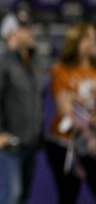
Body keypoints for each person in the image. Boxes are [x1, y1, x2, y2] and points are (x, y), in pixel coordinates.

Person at [0, 9, 44, 204]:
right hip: (10, 144)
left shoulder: (33, 61)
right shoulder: (0, 62)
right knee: (11, 195)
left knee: (22, 196)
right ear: (12, 33)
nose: (32, 31)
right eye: (25, 28)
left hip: (30, 142)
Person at [45, 22, 96, 204]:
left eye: (93, 38)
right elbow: (66, 110)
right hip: (65, 143)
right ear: (75, 42)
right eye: (87, 38)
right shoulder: (61, 70)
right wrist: (89, 133)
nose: (93, 42)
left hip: (92, 143)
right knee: (68, 194)